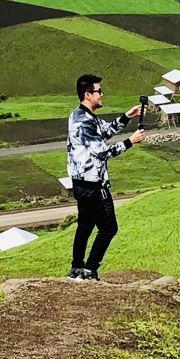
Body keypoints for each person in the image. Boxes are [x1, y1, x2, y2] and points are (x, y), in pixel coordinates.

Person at [65, 73, 144, 280]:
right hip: (94, 185)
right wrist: (130, 141)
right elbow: (103, 152)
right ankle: (90, 270)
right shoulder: (86, 123)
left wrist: (127, 117)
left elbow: (105, 132)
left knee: (85, 226)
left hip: (80, 183)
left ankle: (76, 268)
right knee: (109, 228)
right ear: (88, 94)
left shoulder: (79, 116)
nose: (102, 95)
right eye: (99, 91)